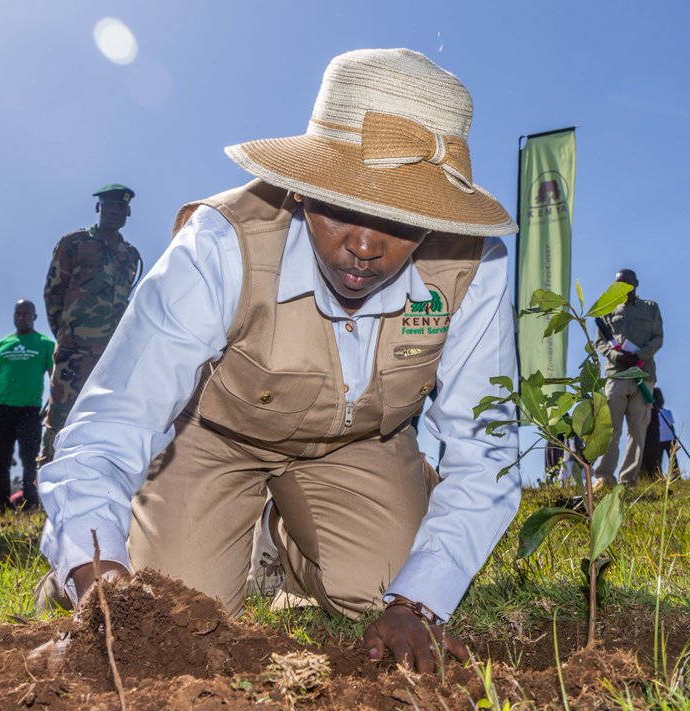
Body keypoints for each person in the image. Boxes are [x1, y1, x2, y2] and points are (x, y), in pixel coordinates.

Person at [37, 48, 521, 674]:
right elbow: (110, 423)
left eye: (401, 219)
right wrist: (96, 575)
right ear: (302, 185)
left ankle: (279, 545)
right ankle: (123, 546)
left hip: (361, 445)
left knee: (390, 582)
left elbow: (487, 451)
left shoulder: (472, 266)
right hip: (213, 439)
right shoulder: (220, 242)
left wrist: (419, 603)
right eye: (342, 206)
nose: (365, 245)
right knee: (176, 615)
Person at [40, 184, 142, 463]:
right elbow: (53, 292)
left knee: (103, 416)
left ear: (127, 212)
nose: (113, 212)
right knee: (61, 414)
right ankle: (47, 477)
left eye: (120, 208)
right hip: (75, 348)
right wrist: (66, 332)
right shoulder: (74, 243)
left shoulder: (129, 254)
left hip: (111, 354)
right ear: (98, 208)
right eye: (108, 206)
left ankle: (91, 476)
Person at [0, 300, 54, 513]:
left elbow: (55, 377)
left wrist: (51, 405)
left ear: (34, 317)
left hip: (30, 410)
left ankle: (30, 504)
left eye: (26, 313)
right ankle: (1, 507)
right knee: (1, 460)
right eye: (18, 313)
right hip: (2, 408)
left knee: (30, 459)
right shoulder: (2, 345)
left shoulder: (45, 344)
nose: (21, 317)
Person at [592, 268, 663, 488]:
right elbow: (600, 342)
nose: (622, 286)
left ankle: (628, 480)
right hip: (616, 374)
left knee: (638, 430)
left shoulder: (650, 308)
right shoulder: (607, 310)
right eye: (618, 283)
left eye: (626, 282)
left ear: (636, 283)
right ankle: (604, 477)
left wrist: (639, 355)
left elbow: (658, 338)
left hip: (643, 374)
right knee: (610, 429)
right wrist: (616, 356)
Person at [652, 388, 679, 478]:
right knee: (658, 460)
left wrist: (674, 438)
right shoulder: (653, 413)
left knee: (673, 459)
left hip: (669, 439)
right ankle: (659, 477)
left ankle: (676, 476)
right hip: (658, 440)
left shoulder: (668, 412)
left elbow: (671, 426)